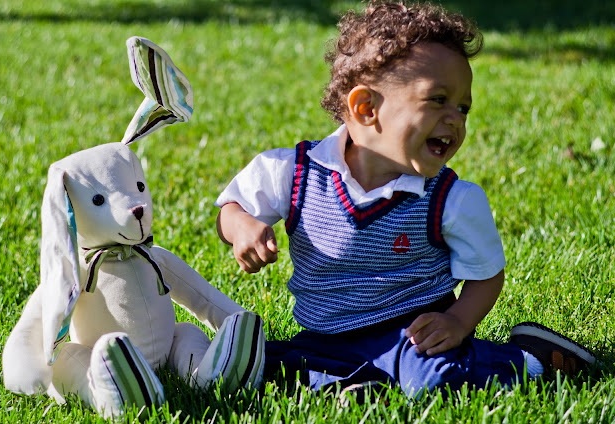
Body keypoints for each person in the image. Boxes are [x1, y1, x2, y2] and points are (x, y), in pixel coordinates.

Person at [214, 1, 595, 397]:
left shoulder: (449, 199)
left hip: (411, 336)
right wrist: (242, 227)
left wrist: (458, 323)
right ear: (366, 108)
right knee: (269, 364)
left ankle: (532, 359)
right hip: (323, 335)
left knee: (434, 379)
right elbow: (231, 209)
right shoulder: (293, 172)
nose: (456, 118)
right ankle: (355, 386)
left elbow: (486, 275)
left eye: (463, 107)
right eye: (438, 100)